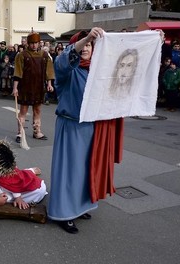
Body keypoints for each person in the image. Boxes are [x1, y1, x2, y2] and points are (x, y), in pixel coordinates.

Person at [48, 28, 124, 234]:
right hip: (71, 125)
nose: (86, 48)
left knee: (85, 170)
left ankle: (80, 207)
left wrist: (154, 41)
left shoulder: (98, 71)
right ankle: (64, 213)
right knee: (69, 171)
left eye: (90, 45)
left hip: (93, 128)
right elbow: (64, 58)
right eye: (83, 44)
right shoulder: (68, 70)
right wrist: (87, 38)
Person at [12, 31, 55, 143]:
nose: (34, 45)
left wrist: (49, 84)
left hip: (39, 86)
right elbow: (18, 72)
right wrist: (15, 88)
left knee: (37, 110)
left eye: (36, 43)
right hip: (25, 87)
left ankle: (37, 131)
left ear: (39, 43)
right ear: (28, 43)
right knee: (23, 110)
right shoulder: (22, 55)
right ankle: (20, 132)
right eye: (32, 43)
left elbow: (48, 71)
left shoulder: (45, 56)